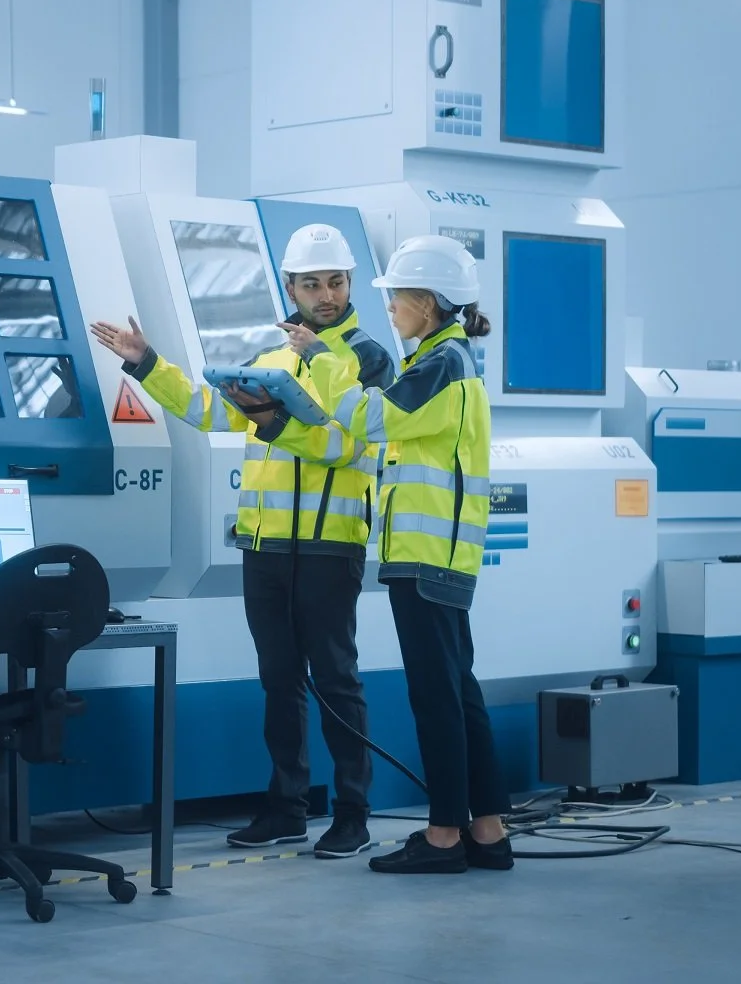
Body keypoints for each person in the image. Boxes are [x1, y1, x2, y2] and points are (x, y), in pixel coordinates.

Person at [90, 223, 393, 859]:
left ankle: (353, 813)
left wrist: (277, 423)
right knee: (279, 680)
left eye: (336, 282)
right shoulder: (268, 362)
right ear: (291, 288)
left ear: (349, 284)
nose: (326, 294)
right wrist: (146, 362)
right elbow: (206, 410)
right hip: (265, 545)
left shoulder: (366, 359)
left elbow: (355, 446)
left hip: (331, 543)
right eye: (312, 284)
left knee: (336, 680)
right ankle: (285, 806)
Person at [262, 235, 511, 874]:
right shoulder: (449, 358)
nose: (391, 308)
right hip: (441, 555)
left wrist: (320, 360)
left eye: (397, 296)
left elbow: (370, 419)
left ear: (427, 303)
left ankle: (446, 837)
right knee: (459, 693)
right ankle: (487, 829)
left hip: (425, 556)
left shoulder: (439, 363)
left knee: (437, 697)